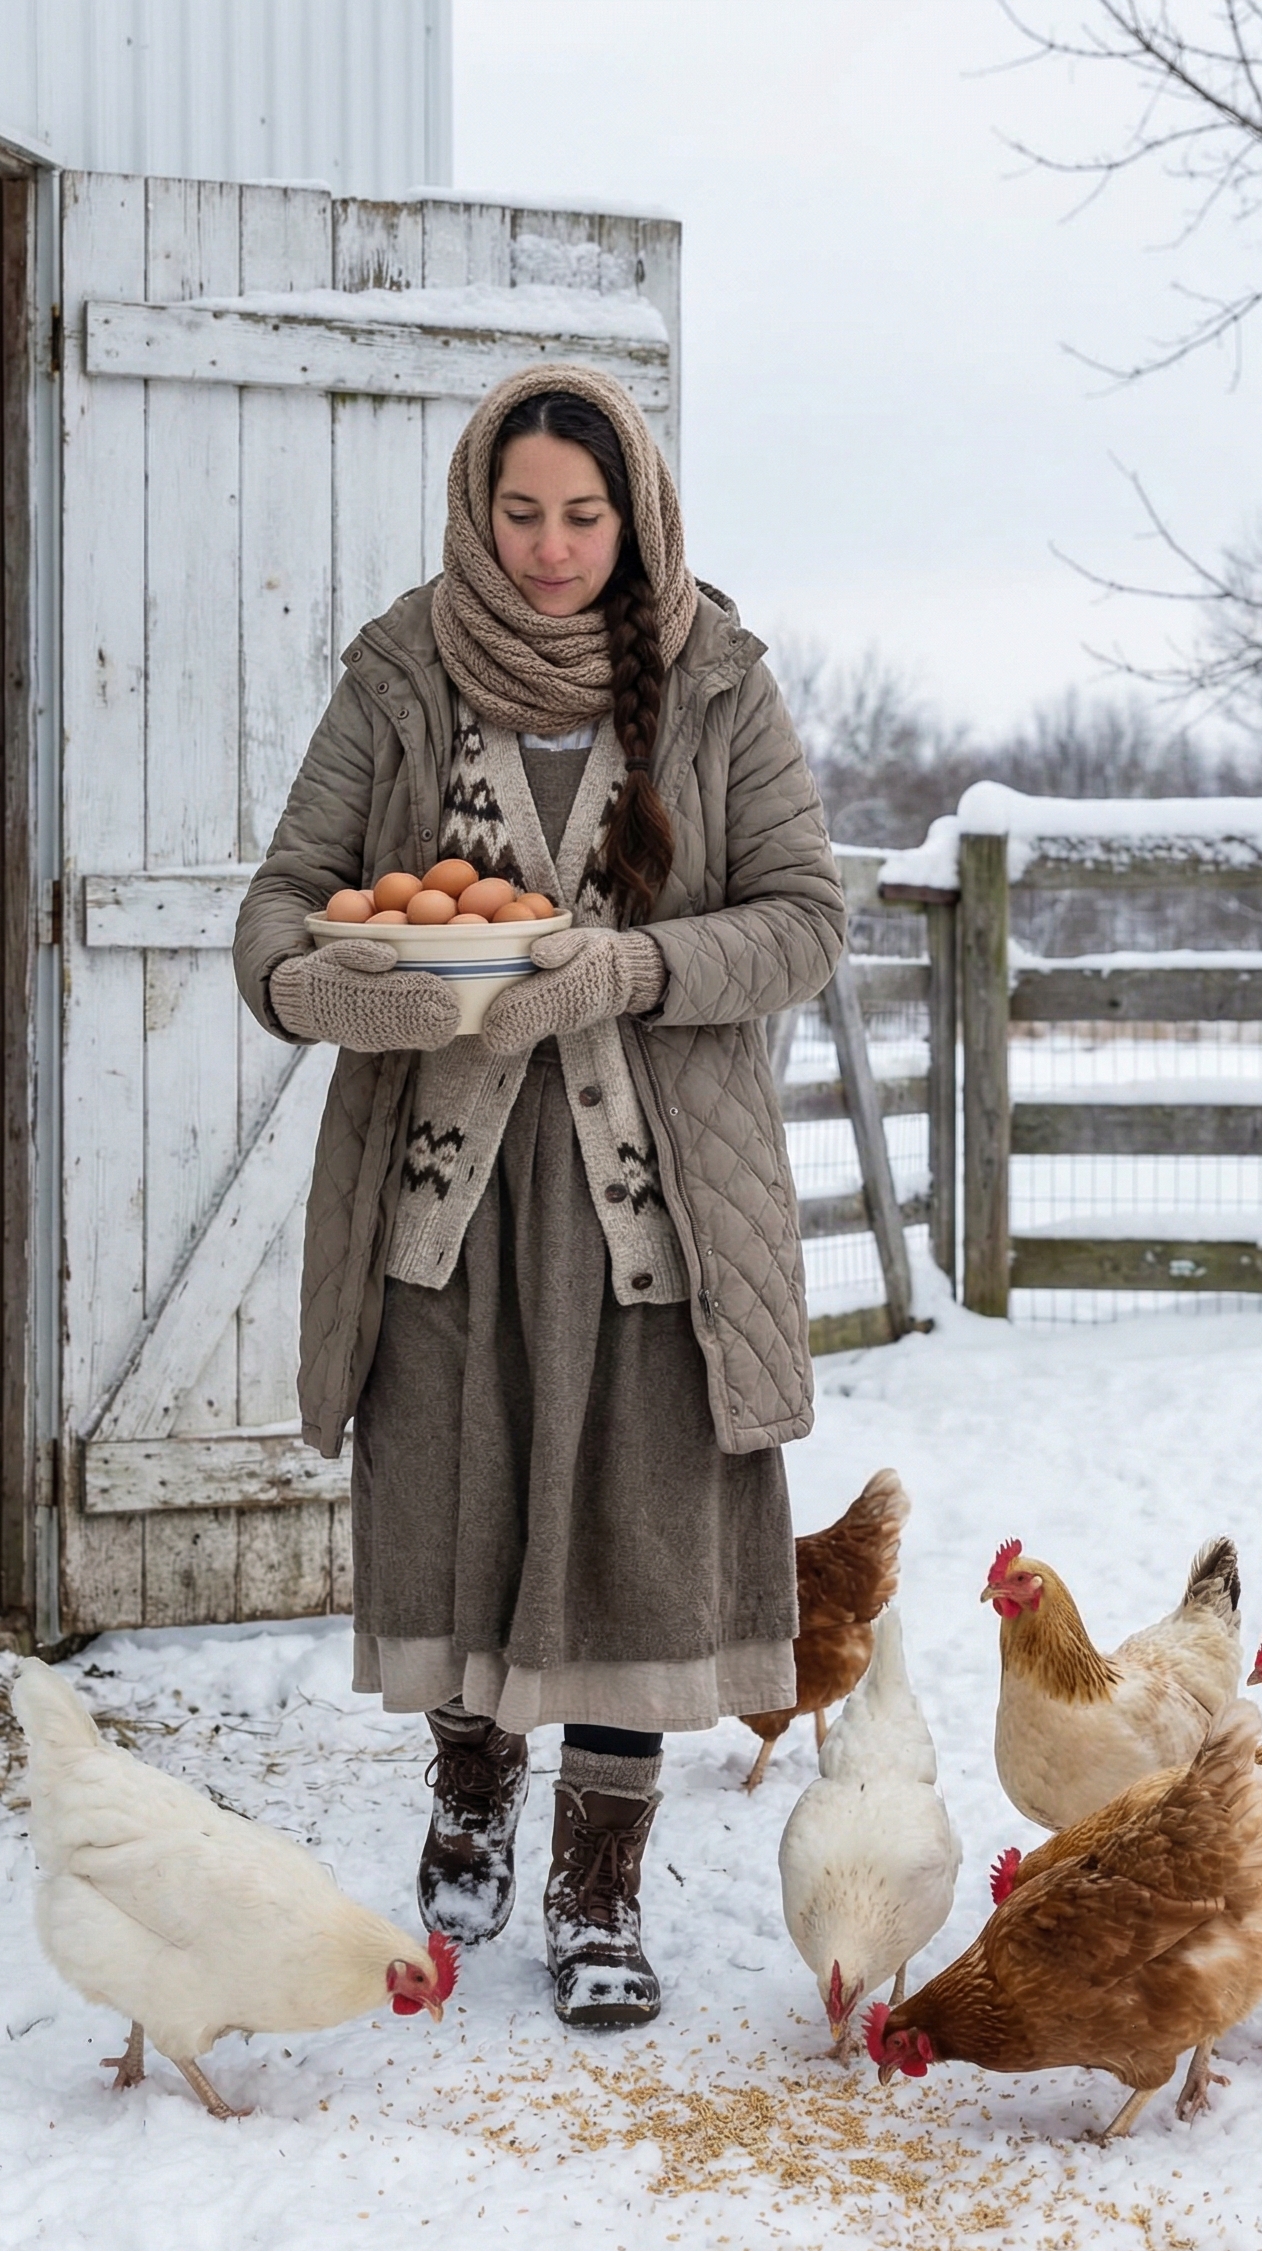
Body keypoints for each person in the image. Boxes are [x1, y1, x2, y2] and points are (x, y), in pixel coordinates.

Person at [233, 362, 845, 2027]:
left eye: (583, 515)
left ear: (632, 515)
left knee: (634, 1518)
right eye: (521, 513)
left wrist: (634, 967)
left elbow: (804, 917)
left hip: (660, 1204)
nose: (552, 546)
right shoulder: (402, 669)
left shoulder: (714, 682)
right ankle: (471, 1792)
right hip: (445, 1188)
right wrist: (325, 992)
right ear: (474, 509)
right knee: (458, 1486)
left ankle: (598, 1889)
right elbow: (287, 897)